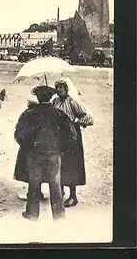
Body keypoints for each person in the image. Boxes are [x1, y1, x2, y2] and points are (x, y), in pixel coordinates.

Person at [14, 85, 76, 221]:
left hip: (34, 154)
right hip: (54, 153)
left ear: (37, 97)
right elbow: (72, 135)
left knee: (34, 183)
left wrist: (29, 147)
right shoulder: (59, 114)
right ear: (51, 97)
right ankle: (59, 215)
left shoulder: (28, 114)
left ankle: (32, 214)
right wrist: (60, 147)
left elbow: (18, 134)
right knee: (55, 184)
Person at [53, 78, 94, 208]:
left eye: (62, 87)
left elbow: (87, 117)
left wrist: (75, 122)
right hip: (59, 136)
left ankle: (73, 196)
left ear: (66, 89)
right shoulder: (55, 101)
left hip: (72, 137)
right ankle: (61, 191)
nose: (59, 90)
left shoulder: (72, 102)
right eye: (57, 88)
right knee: (59, 163)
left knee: (71, 165)